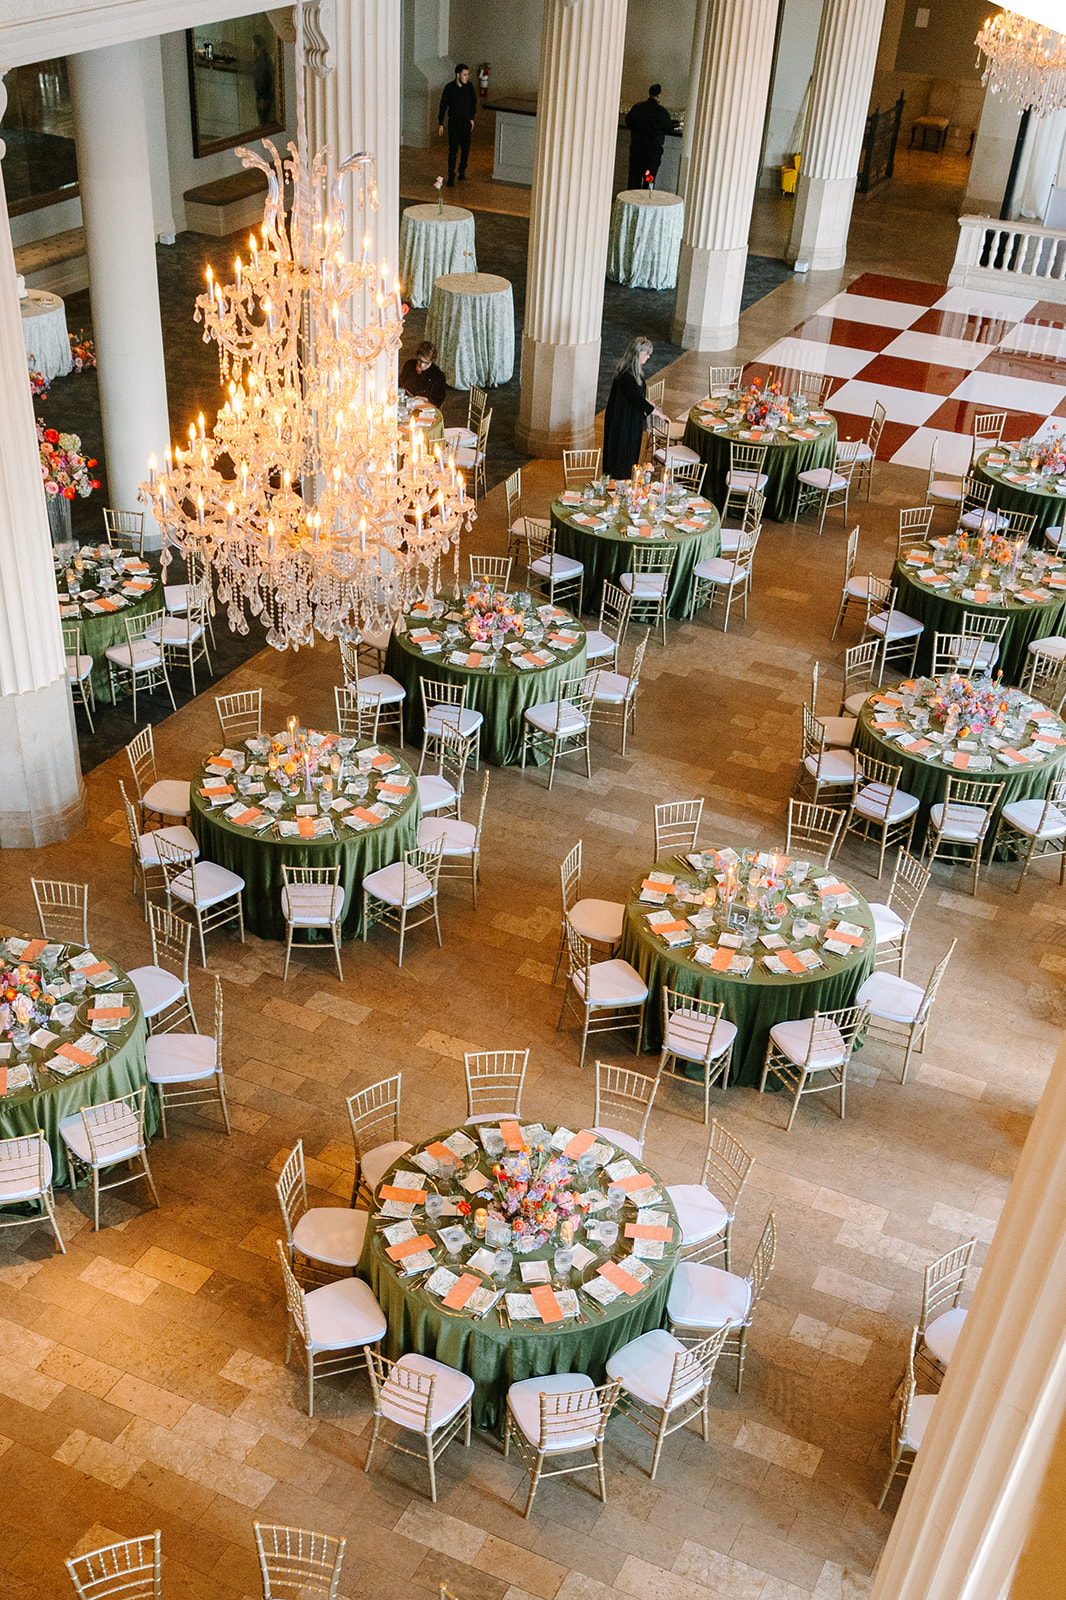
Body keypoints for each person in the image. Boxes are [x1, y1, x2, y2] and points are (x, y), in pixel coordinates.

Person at [602, 336, 668, 482]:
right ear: (638, 354)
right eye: (646, 353)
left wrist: (651, 404)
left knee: (628, 453)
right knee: (622, 454)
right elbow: (636, 399)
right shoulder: (627, 375)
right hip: (623, 422)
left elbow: (637, 395)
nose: (649, 357)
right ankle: (619, 482)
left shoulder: (631, 372)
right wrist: (656, 412)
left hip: (628, 419)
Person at [625, 84, 674, 190]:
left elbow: (628, 122)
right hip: (653, 151)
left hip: (637, 148)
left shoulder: (637, 108)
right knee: (649, 179)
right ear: (659, 95)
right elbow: (669, 128)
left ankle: (632, 202)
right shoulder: (662, 112)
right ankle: (646, 202)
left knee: (634, 178)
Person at [438, 63, 478, 187]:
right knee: (453, 150)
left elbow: (473, 103)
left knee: (466, 150)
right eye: (465, 74)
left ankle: (462, 171)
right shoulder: (449, 88)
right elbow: (443, 106)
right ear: (458, 74)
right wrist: (441, 123)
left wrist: (471, 118)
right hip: (454, 123)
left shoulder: (469, 87)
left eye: (467, 74)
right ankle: (451, 176)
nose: (467, 77)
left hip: (466, 123)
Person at [398, 341, 447, 409]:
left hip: (425, 407)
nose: (421, 365)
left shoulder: (438, 375)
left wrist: (426, 399)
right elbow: (400, 384)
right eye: (420, 360)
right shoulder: (409, 365)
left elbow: (438, 399)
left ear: (431, 361)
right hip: (406, 403)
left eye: (426, 363)